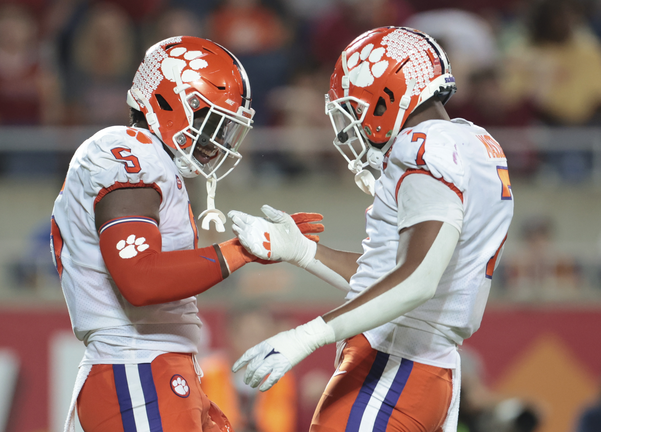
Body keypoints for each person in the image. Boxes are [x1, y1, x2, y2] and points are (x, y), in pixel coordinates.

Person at [228, 26, 515, 432]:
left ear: (385, 99)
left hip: (393, 367)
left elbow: (417, 279)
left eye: (355, 109)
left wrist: (308, 335)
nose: (353, 126)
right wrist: (302, 251)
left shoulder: (422, 147)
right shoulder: (476, 142)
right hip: (429, 369)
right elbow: (396, 273)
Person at [50, 35, 322, 432]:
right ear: (170, 103)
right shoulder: (126, 152)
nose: (217, 139)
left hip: (152, 368)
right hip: (135, 369)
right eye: (213, 122)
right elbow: (140, 279)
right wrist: (242, 250)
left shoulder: (153, 160)